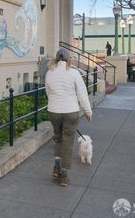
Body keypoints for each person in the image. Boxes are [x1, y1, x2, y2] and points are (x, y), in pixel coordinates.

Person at [45, 48, 93, 187]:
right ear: (68, 59)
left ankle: (56, 167)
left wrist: (55, 102)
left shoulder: (49, 73)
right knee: (68, 142)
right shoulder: (74, 73)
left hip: (54, 111)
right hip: (70, 111)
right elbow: (82, 94)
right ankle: (64, 176)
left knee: (58, 138)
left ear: (56, 59)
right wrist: (88, 112)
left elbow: (48, 92)